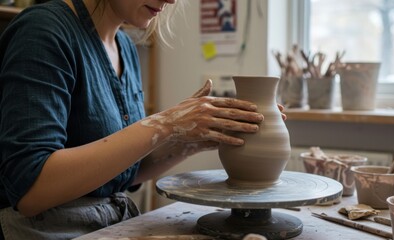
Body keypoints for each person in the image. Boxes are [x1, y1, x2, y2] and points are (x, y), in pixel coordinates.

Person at [0, 0, 286, 239]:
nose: (172, 0)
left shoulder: (124, 45)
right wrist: (165, 124)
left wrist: (189, 139)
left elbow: (124, 172)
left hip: (107, 222)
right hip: (44, 230)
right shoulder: (43, 32)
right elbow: (30, 189)